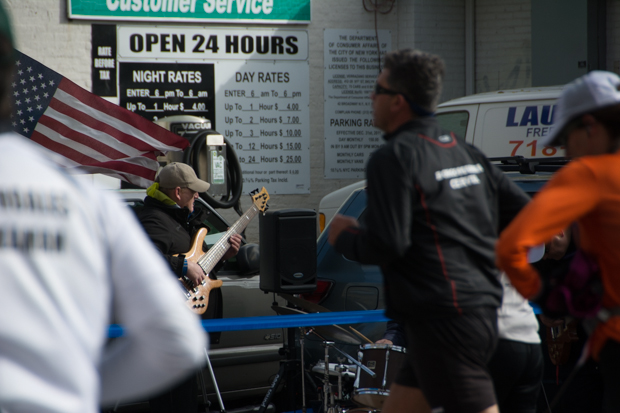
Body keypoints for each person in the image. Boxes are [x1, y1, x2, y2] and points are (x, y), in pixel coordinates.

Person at [0, 4, 207, 412]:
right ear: (12, 76)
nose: (197, 197)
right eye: (192, 191)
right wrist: (74, 388)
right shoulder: (86, 202)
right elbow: (179, 340)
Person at [328, 49, 530, 413]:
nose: (371, 96)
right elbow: (527, 214)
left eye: (379, 89)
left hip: (446, 321)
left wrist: (345, 236)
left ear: (398, 102)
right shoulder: (465, 151)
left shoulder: (393, 157)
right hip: (464, 315)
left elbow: (388, 243)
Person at [496, 70, 620, 413]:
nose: (566, 150)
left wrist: (545, 297)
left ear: (590, 127)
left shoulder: (589, 173)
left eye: (566, 137)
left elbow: (510, 247)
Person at [137, 161, 242, 413]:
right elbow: (142, 260)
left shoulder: (179, 219)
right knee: (172, 400)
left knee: (185, 395)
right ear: (177, 192)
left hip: (183, 325)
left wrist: (223, 257)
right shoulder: (154, 220)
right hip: (166, 326)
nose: (197, 195)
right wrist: (183, 266)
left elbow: (198, 269)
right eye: (193, 190)